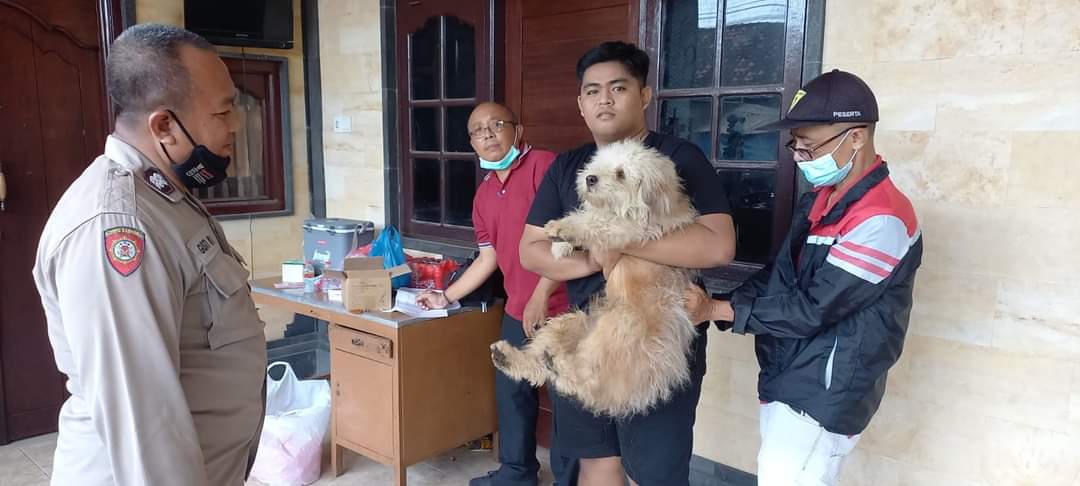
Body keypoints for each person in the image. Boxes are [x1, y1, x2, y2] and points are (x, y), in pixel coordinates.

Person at [31, 23, 266, 485]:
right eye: (223, 111)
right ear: (164, 127)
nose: (236, 125)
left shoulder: (165, 197)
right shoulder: (118, 227)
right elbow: (146, 428)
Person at [686, 70, 923, 486]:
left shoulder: (881, 219)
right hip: (792, 371)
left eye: (809, 146)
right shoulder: (822, 200)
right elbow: (780, 277)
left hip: (824, 390)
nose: (799, 157)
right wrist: (718, 303)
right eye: (795, 145)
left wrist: (718, 310)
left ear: (856, 137)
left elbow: (813, 308)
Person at [519, 41, 736, 486]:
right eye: (592, 91)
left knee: (652, 474)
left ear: (644, 95)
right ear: (580, 104)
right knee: (597, 463)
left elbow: (718, 246)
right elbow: (532, 250)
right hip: (590, 338)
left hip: (656, 343)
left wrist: (621, 240)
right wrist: (595, 259)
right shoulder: (568, 167)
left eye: (618, 88)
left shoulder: (679, 158)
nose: (605, 99)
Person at [417, 102, 575, 486]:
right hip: (518, 309)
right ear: (472, 142)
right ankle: (517, 474)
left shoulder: (545, 166)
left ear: (517, 131)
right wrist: (446, 296)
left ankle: (569, 481)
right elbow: (488, 259)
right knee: (512, 394)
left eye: (496, 125)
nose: (487, 134)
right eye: (477, 130)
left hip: (565, 310)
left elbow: (570, 236)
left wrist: (541, 293)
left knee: (569, 406)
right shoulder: (484, 195)